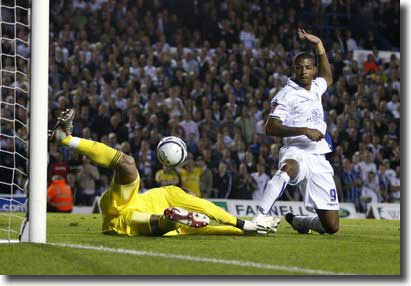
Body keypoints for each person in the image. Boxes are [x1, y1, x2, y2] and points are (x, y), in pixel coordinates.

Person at [50, 109, 280, 236]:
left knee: (163, 223)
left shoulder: (176, 197)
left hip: (122, 219)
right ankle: (66, 139)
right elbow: (208, 209)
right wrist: (243, 225)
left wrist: (243, 229)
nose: (192, 195)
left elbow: (210, 222)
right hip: (124, 201)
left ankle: (173, 218)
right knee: (127, 164)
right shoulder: (171, 192)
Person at [253, 29, 339, 235]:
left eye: (308, 68)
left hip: (318, 156)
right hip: (295, 150)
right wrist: (303, 130)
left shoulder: (317, 87)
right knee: (288, 168)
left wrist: (318, 44)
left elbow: (328, 77)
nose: (304, 71)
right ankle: (260, 217)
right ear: (293, 69)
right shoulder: (286, 95)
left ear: (313, 70)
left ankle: (300, 222)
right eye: (299, 68)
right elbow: (270, 128)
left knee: (331, 227)